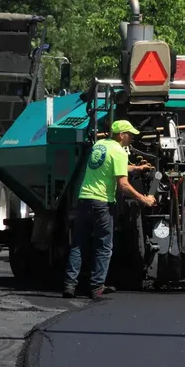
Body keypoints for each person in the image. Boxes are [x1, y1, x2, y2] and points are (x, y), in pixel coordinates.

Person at [64, 120, 157, 300]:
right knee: (103, 246)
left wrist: (136, 168)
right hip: (102, 204)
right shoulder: (120, 152)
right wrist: (143, 199)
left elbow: (109, 166)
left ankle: (69, 285)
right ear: (121, 135)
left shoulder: (99, 146)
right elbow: (123, 185)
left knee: (78, 244)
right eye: (129, 135)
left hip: (84, 200)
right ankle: (97, 287)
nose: (131, 138)